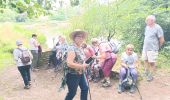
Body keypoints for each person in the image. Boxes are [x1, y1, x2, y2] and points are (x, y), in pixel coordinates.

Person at [65, 30, 89, 100]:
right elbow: (69, 63)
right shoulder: (71, 48)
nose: (81, 38)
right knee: (72, 93)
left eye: (82, 37)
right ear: (74, 38)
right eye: (78, 37)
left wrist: (84, 63)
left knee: (85, 88)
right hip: (72, 75)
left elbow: (81, 59)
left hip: (81, 73)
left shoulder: (80, 47)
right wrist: (82, 66)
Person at [142, 15, 165, 81]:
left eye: (147, 20)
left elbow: (161, 39)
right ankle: (146, 72)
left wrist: (158, 47)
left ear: (152, 20)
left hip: (153, 48)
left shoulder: (158, 28)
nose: (146, 21)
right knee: (145, 60)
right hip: (145, 47)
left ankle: (151, 75)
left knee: (152, 62)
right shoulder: (147, 27)